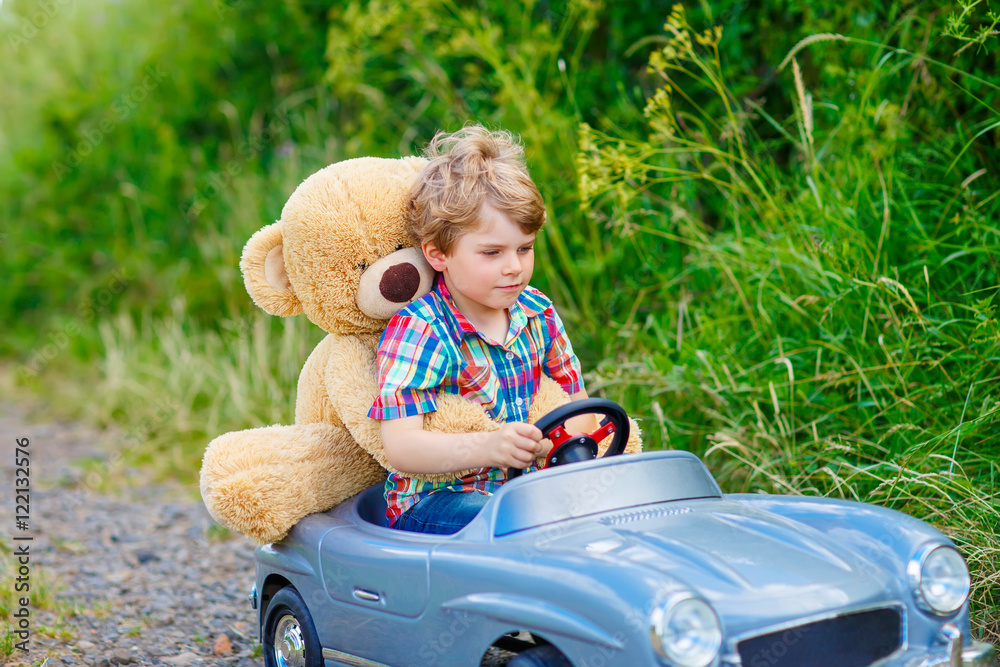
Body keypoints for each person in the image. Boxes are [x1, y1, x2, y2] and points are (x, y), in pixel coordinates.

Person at [368, 125, 594, 534]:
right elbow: (402, 447)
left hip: (523, 494)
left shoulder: (537, 312)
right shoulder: (421, 330)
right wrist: (489, 447)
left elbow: (577, 407)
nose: (514, 266)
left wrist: (570, 448)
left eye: (524, 248)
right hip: (438, 501)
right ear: (438, 254)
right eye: (492, 253)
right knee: (516, 522)